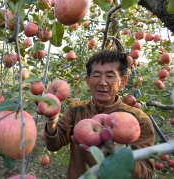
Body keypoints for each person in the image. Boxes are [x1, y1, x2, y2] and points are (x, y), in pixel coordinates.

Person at [43, 50, 155, 179]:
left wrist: (119, 153)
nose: (102, 82)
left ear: (122, 82)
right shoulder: (76, 109)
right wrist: (51, 120)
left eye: (110, 76)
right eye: (96, 75)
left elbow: (145, 173)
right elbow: (54, 145)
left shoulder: (137, 119)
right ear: (88, 80)